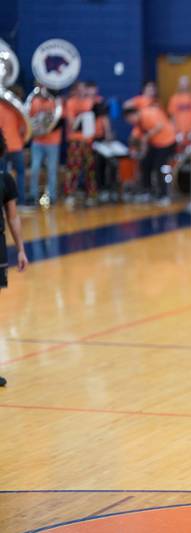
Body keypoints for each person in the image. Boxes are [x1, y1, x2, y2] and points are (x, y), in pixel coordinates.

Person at [0, 130, 30, 387]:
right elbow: (13, 218)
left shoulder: (5, 180)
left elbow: (13, 217)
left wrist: (20, 249)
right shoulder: (6, 179)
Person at [123, 104, 177, 205]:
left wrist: (146, 137)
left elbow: (159, 126)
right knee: (145, 164)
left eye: (130, 120)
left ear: (132, 115)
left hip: (167, 142)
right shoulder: (139, 123)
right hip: (156, 144)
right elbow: (135, 136)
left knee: (160, 167)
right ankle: (147, 191)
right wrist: (133, 148)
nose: (130, 122)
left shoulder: (148, 113)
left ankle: (164, 195)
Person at [28, 84, 63, 206]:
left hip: (53, 141)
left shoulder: (55, 102)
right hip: (38, 141)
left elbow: (59, 119)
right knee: (35, 168)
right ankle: (33, 195)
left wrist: (47, 127)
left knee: (52, 170)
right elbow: (29, 119)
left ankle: (52, 196)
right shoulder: (35, 101)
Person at [0, 94, 29, 207]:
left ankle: (3, 204)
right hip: (17, 146)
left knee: (2, 176)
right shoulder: (17, 110)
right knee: (20, 175)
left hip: (3, 148)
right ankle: (21, 202)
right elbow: (23, 128)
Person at [168, 75, 191, 147]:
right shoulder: (174, 98)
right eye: (182, 84)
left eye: (186, 83)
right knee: (179, 156)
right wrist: (176, 132)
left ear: (189, 84)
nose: (184, 85)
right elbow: (172, 117)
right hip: (179, 133)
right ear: (179, 85)